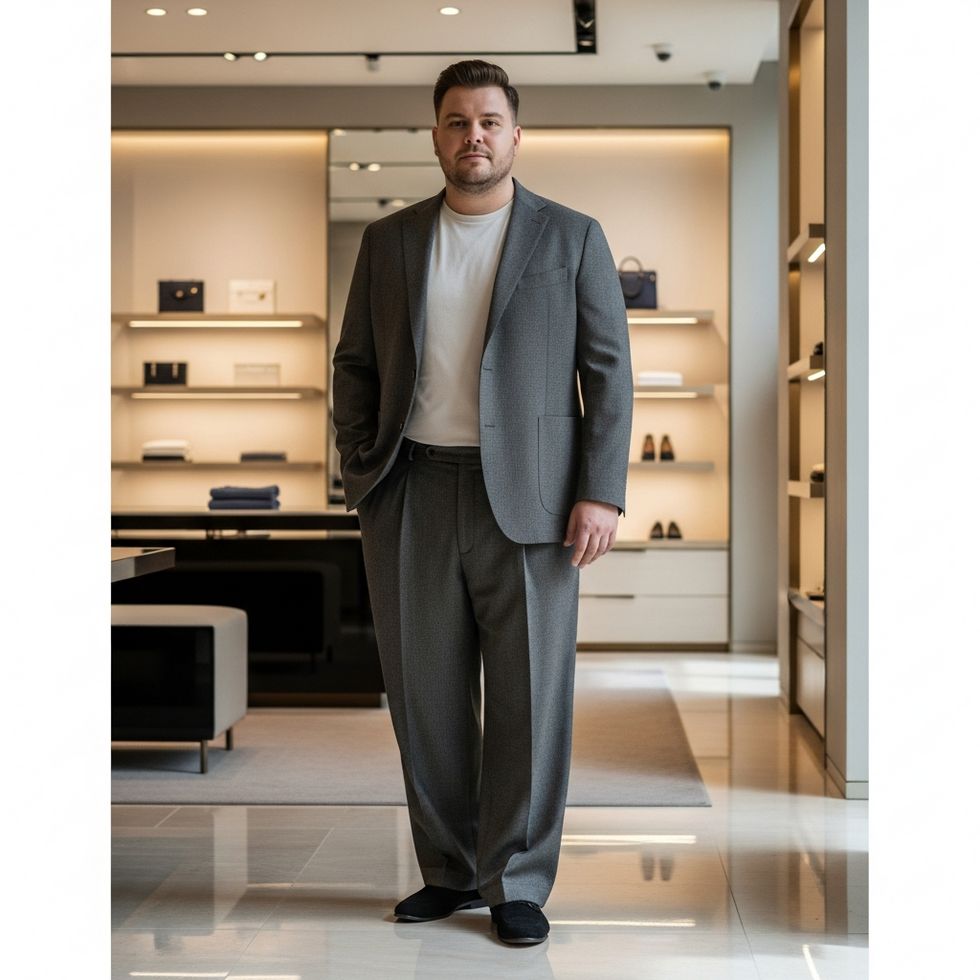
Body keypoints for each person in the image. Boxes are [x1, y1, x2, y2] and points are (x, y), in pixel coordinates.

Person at [332, 60, 632, 945]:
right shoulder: (388, 243)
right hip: (412, 490)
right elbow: (354, 365)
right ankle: (449, 871)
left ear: (515, 134)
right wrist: (364, 474)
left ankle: (519, 881)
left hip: (535, 505)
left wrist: (601, 493)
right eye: (458, 121)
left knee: (530, 698)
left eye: (491, 121)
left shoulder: (573, 237)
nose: (475, 136)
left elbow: (608, 375)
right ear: (435, 135)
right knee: (424, 697)